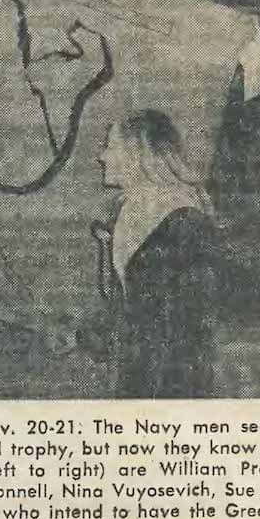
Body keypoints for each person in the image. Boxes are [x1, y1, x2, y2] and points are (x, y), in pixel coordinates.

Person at [98, 110, 221, 399]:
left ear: (138, 152)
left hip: (170, 386)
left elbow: (189, 328)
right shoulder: (127, 210)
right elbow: (128, 309)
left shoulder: (185, 219)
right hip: (135, 376)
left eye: (111, 146)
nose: (102, 156)